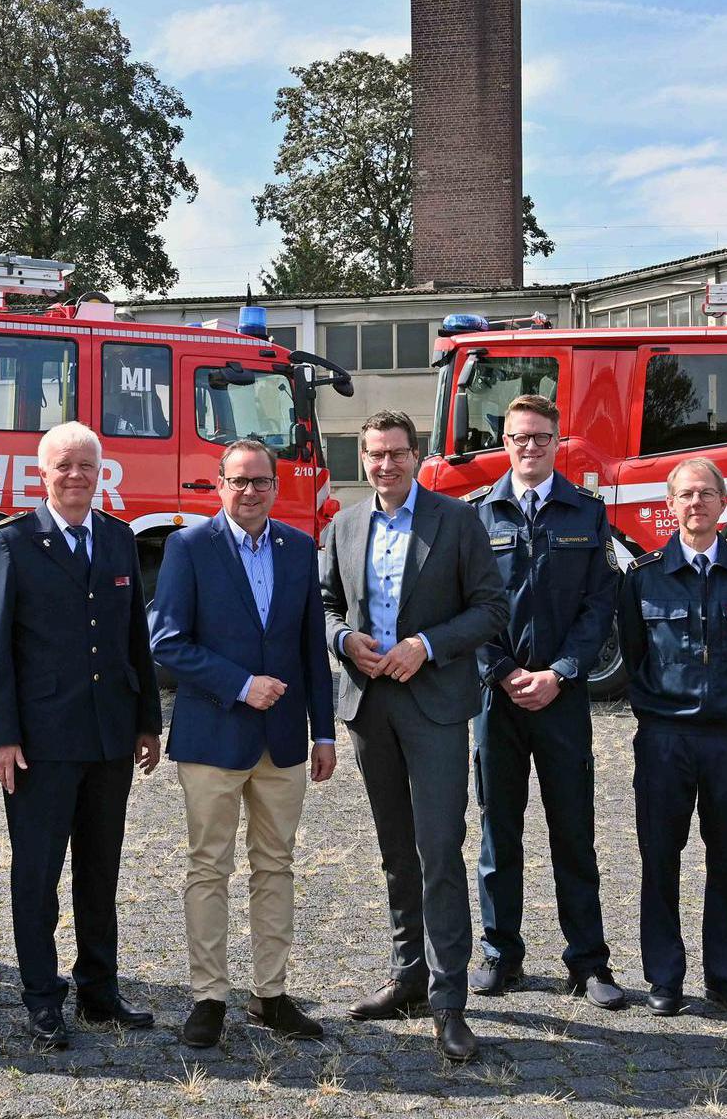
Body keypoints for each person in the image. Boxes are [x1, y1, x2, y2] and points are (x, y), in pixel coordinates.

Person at [319, 410, 508, 1063]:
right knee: (396, 850)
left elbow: (490, 609)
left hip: (434, 707)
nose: (385, 465)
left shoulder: (456, 521)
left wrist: (425, 646)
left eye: (397, 454)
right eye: (374, 455)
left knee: (438, 849)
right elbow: (324, 604)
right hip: (371, 708)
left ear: (416, 454)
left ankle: (450, 1001)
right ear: (364, 458)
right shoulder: (344, 524)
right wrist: (344, 640)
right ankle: (408, 975)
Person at [0, 421, 163, 1050]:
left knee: (100, 870)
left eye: (87, 465)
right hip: (40, 741)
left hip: (109, 735)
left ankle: (99, 991)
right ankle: (40, 997)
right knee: (37, 873)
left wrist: (145, 720)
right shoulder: (11, 542)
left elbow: (133, 634)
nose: (76, 476)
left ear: (101, 472)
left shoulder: (115, 538)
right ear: (42, 473)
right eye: (64, 466)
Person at [148, 439, 337, 1049]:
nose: (250, 491)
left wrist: (326, 730)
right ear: (218, 484)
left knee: (275, 866)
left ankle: (271, 994)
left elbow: (312, 649)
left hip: (283, 742)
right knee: (209, 868)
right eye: (239, 480)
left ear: (275, 488)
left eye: (261, 481)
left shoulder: (300, 548)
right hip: (212, 737)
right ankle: (208, 997)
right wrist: (240, 684)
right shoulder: (188, 546)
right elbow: (167, 642)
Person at [470, 394, 625, 1011]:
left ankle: (587, 962)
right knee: (496, 831)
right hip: (496, 700)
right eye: (518, 437)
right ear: (504, 443)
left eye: (540, 437)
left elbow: (600, 606)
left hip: (562, 699)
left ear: (557, 442)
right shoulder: (477, 515)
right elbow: (468, 608)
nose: (529, 447)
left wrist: (559, 673)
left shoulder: (586, 513)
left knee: (573, 832)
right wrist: (504, 672)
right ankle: (499, 955)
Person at [616, 457, 727, 1019]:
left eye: (706, 494)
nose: (696, 504)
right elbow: (634, 657)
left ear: (724, 502)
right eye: (685, 495)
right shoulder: (643, 576)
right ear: (671, 504)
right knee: (660, 860)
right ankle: (664, 978)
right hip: (664, 739)